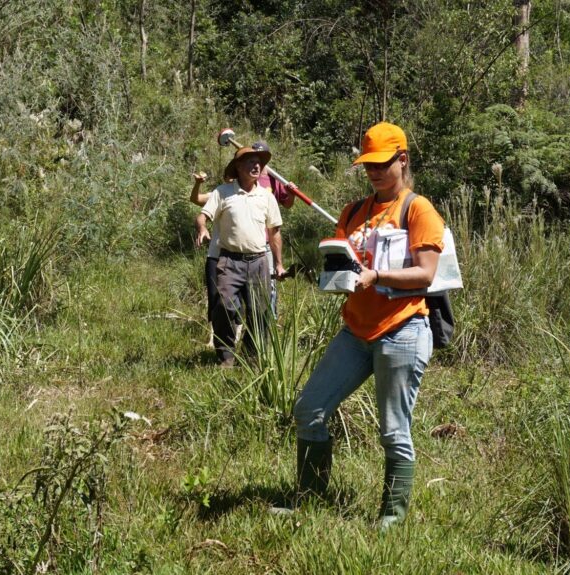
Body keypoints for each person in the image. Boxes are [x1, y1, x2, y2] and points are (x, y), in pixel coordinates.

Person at [290, 122, 445, 529]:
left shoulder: (418, 210)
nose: (373, 172)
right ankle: (309, 500)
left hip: (403, 329)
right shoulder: (353, 212)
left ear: (402, 160)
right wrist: (334, 277)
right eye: (368, 165)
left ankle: (391, 519)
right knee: (309, 409)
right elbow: (344, 264)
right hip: (355, 331)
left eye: (381, 163)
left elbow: (426, 274)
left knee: (394, 430)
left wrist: (377, 276)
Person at [188, 142, 295, 334]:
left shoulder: (267, 196)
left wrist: (279, 264)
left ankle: (251, 350)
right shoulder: (222, 192)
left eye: (259, 162)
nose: (257, 166)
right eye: (251, 162)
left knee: (260, 313)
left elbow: (274, 232)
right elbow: (201, 214)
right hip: (229, 260)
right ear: (238, 166)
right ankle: (225, 349)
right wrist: (202, 227)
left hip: (259, 260)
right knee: (224, 306)